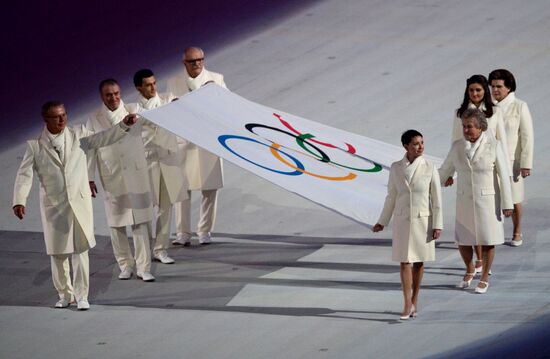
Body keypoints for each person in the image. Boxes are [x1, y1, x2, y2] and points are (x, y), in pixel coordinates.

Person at [13, 101, 138, 309]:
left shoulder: (79, 135)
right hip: (54, 207)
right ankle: (64, 294)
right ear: (46, 119)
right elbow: (24, 175)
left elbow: (102, 138)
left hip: (79, 203)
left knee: (80, 252)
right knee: (58, 253)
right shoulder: (34, 146)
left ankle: (82, 296)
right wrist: (19, 200)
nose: (62, 119)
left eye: (64, 115)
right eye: (56, 116)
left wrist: (123, 125)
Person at [86, 79, 155, 282]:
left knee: (140, 222)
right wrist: (89, 178)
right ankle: (125, 265)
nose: (114, 97)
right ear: (102, 97)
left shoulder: (133, 109)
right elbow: (90, 148)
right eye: (109, 94)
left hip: (136, 174)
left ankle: (144, 267)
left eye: (116, 93)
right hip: (112, 175)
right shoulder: (94, 118)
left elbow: (153, 116)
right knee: (117, 224)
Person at [440, 108, 513, 294]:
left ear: (480, 127)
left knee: (488, 241)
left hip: (487, 201)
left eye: (469, 126)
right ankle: (470, 268)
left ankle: (484, 276)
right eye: (464, 126)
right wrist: (439, 179)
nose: (466, 130)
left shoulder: (494, 145)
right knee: (463, 241)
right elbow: (445, 170)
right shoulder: (457, 146)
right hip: (464, 199)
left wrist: (507, 203)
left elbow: (504, 176)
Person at [373, 130, 443, 320]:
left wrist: (438, 224)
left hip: (423, 220)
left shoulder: (430, 167)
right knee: (405, 261)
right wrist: (382, 221)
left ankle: (414, 300)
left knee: (419, 262)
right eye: (416, 144)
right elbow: (391, 196)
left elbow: (436, 199)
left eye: (421, 143)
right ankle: (406, 303)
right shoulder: (396, 168)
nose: (420, 147)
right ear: (406, 146)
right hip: (403, 220)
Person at [450, 74, 510, 274]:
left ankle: (483, 262)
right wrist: (452, 171)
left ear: (485, 91)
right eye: (471, 90)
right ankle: (477, 261)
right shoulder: (460, 113)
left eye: (478, 90)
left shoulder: (495, 112)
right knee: (470, 223)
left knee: (484, 223)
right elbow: (456, 142)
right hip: (468, 167)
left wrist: (506, 168)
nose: (474, 94)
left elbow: (502, 138)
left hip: (488, 165)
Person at [167, 47, 225, 245]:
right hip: (185, 143)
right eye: (192, 61)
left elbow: (228, 104)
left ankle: (204, 231)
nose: (197, 64)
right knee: (182, 190)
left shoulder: (216, 79)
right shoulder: (174, 82)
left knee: (210, 190)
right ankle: (183, 233)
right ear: (185, 63)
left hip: (208, 142)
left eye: (200, 60)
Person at [131, 69, 187, 264]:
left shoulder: (167, 99)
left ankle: (161, 249)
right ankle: (144, 251)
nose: (153, 87)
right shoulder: (133, 110)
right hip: (148, 164)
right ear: (139, 87)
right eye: (148, 84)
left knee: (166, 206)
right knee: (146, 209)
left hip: (169, 162)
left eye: (154, 83)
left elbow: (178, 105)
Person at [489, 69, 534, 247]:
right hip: (490, 159)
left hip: (511, 161)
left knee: (514, 198)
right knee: (491, 196)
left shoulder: (519, 106)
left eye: (499, 86)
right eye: (492, 86)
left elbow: (527, 136)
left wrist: (525, 163)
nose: (495, 90)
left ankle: (516, 231)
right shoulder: (488, 106)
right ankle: (492, 232)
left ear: (509, 87)